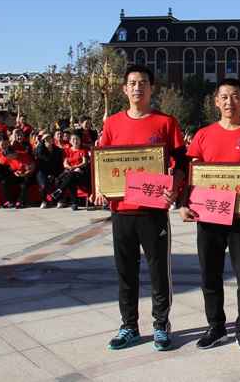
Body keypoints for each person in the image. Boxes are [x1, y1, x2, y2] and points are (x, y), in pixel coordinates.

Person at [92, 64, 187, 352]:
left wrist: (174, 187)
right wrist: (99, 188)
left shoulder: (166, 122)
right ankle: (129, 326)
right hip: (122, 211)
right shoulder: (112, 124)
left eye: (143, 82)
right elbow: (103, 162)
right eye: (132, 83)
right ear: (124, 89)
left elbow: (182, 162)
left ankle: (161, 325)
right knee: (125, 273)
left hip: (153, 211)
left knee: (159, 271)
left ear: (152, 88)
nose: (137, 87)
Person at [177, 79, 240, 352]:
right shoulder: (203, 135)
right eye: (225, 97)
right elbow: (193, 173)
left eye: (235, 96)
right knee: (210, 275)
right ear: (216, 101)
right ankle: (216, 326)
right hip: (209, 216)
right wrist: (183, 203)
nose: (230, 101)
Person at [54, 133, 91, 210]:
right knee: (71, 179)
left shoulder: (83, 150)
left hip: (81, 172)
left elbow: (85, 163)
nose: (75, 141)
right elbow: (65, 163)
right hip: (71, 171)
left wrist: (75, 167)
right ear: (70, 141)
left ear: (80, 140)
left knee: (72, 177)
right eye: (73, 139)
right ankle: (74, 203)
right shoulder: (67, 150)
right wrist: (72, 168)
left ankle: (61, 191)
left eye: (77, 139)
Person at [33, 133, 66, 208]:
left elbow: (58, 164)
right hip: (43, 172)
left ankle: (60, 200)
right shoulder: (41, 149)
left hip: (54, 171)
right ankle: (44, 200)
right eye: (46, 139)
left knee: (58, 182)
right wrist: (42, 141)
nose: (48, 140)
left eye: (49, 138)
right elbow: (36, 152)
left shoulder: (56, 149)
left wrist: (53, 174)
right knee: (44, 185)